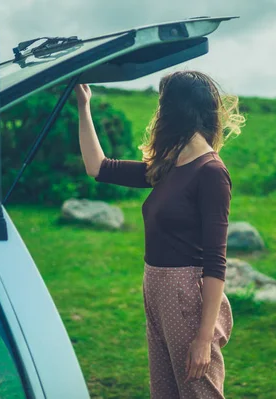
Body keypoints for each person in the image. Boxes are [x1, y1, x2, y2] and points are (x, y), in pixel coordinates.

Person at [75, 70, 245, 399]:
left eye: (162, 103)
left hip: (185, 299)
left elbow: (215, 262)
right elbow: (98, 167)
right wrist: (84, 106)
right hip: (155, 289)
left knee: (199, 393)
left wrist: (203, 338)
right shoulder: (169, 164)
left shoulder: (210, 172)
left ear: (175, 111)